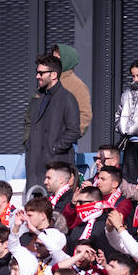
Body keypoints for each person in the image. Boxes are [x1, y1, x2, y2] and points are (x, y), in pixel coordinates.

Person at [23, 53, 82, 190]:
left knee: (54, 208)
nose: (37, 76)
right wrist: (28, 143)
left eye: (41, 73)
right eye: (37, 72)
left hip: (56, 164)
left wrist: (54, 147)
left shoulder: (67, 98)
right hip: (35, 165)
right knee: (35, 205)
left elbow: (74, 131)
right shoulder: (37, 97)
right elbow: (28, 123)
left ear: (54, 74)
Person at [52, 43, 93, 137]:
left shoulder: (77, 85)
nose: (55, 61)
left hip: (63, 142)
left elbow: (85, 114)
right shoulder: (48, 80)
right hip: (42, 142)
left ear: (68, 59)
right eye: (54, 57)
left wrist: (70, 137)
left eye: (59, 56)